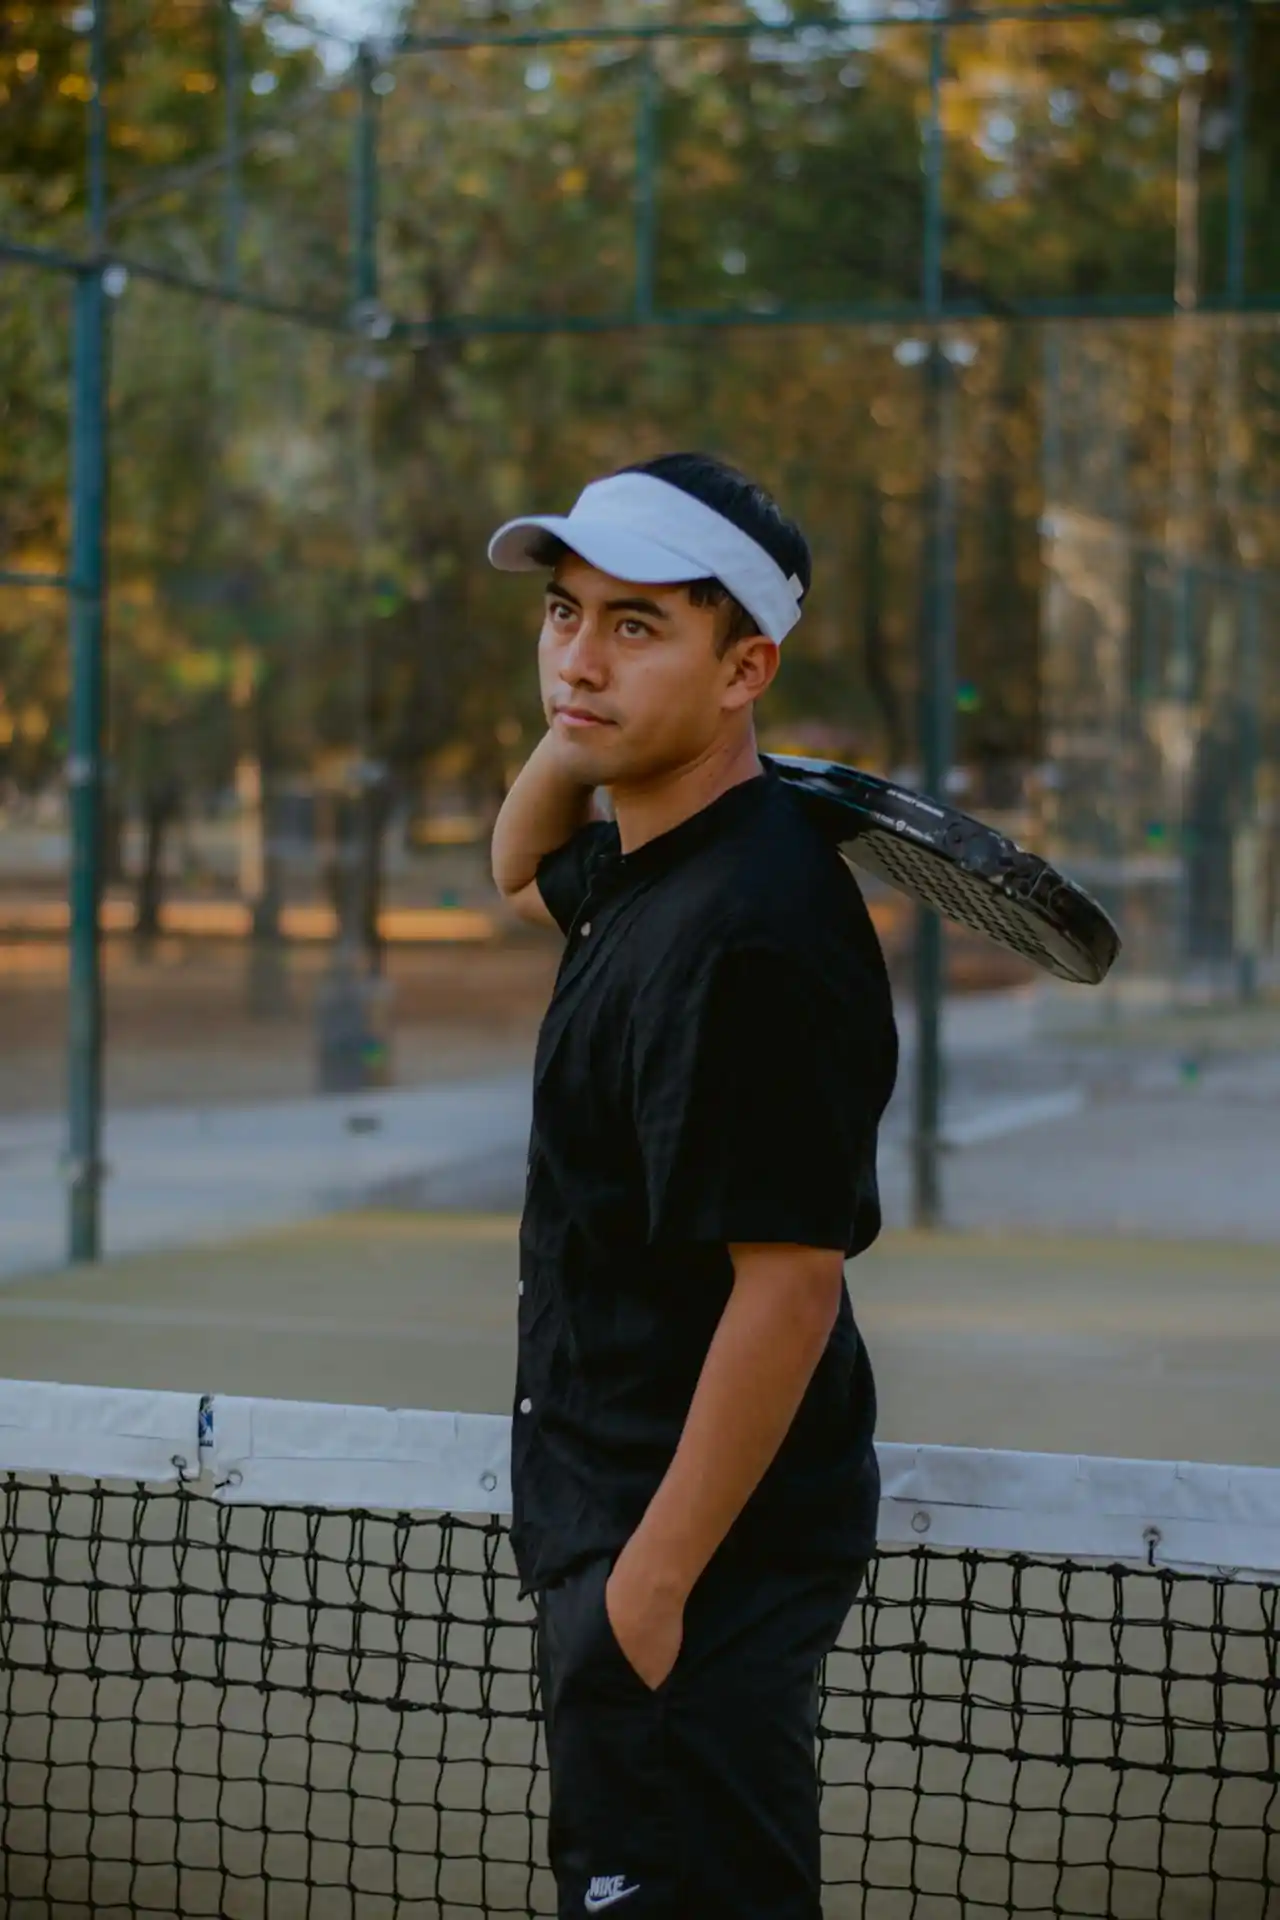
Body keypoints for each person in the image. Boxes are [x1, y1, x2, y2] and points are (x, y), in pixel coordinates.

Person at [488, 452, 898, 1919]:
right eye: (560, 613)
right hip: (621, 1529)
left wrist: (647, 1594)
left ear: (748, 669)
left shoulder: (754, 939)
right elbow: (519, 861)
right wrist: (583, 725)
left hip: (686, 1568)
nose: (577, 655)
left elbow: (789, 1291)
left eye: (634, 625)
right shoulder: (655, 868)